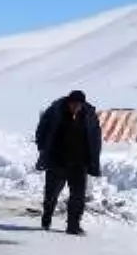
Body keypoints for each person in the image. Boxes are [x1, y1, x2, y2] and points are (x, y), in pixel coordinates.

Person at [34, 90, 103, 235]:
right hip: (57, 160)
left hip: (80, 162)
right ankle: (47, 216)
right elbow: (41, 130)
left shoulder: (89, 115)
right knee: (52, 193)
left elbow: (95, 136)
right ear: (68, 102)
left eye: (79, 105)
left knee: (78, 196)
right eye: (73, 104)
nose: (76, 107)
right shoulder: (55, 112)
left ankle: (73, 225)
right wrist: (43, 148)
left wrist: (94, 158)